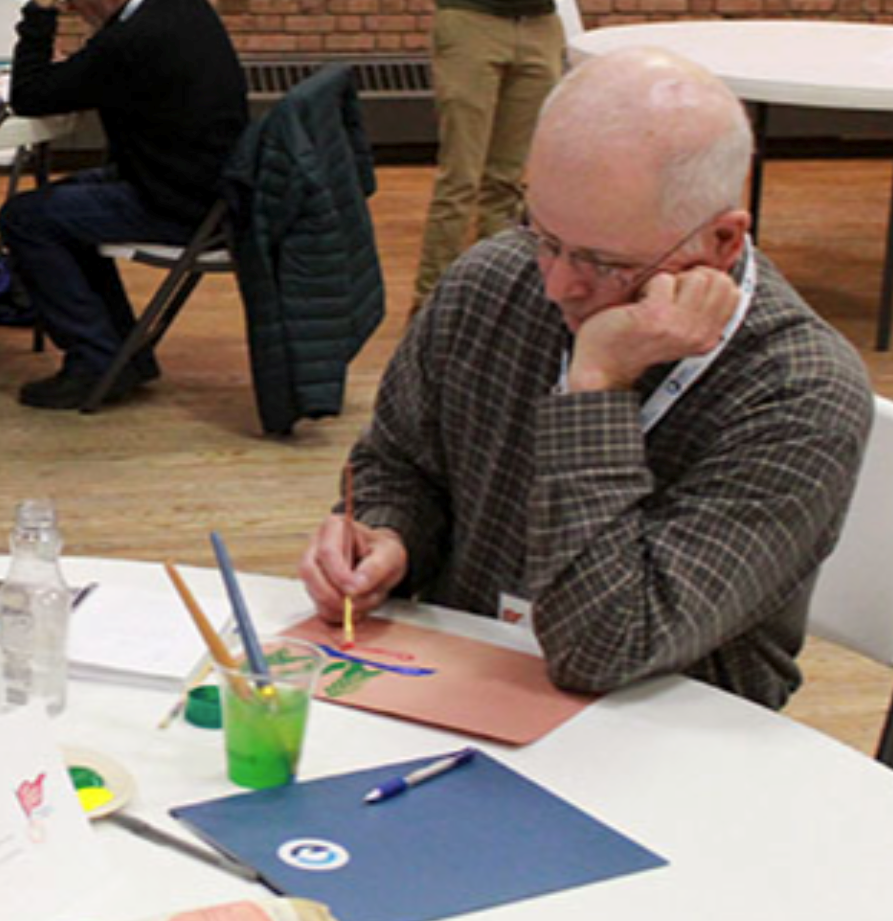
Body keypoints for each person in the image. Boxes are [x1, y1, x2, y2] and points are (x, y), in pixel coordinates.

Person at [298, 48, 873, 710]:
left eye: (603, 263)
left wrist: (596, 385)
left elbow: (603, 646)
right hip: (458, 691)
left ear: (720, 241)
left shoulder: (796, 392)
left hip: (667, 741)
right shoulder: (491, 283)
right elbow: (399, 464)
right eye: (542, 234)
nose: (555, 283)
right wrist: (385, 534)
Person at [0, 0, 248, 410]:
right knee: (63, 206)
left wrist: (39, 3)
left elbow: (29, 95)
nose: (70, 8)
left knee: (24, 218)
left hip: (180, 204)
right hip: (210, 186)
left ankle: (95, 361)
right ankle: (122, 354)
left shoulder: (128, 44)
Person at [410, 0, 606, 308]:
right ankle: (432, 305)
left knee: (507, 180)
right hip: (472, 16)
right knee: (462, 177)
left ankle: (490, 299)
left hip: (540, 17)